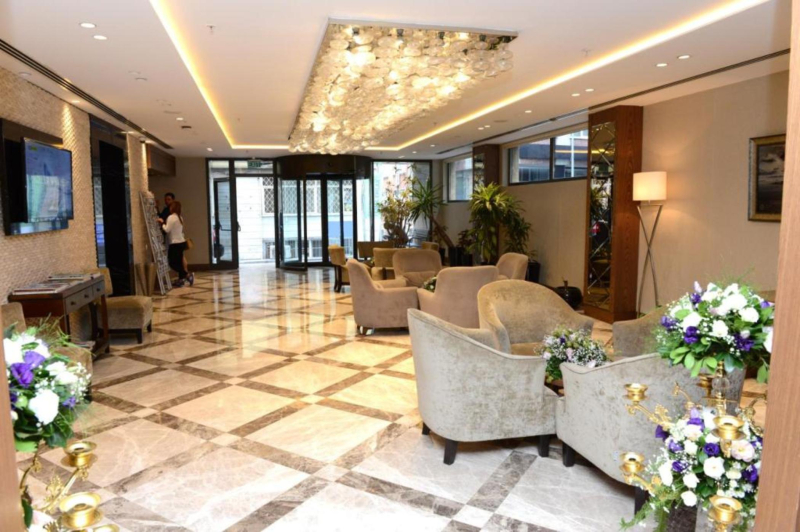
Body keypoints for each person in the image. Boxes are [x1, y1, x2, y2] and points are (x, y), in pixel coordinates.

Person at [159, 201, 194, 287]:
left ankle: (187, 275)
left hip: (175, 243)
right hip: (181, 242)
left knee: (172, 263)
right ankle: (181, 280)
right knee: (179, 262)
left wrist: (162, 223)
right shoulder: (180, 217)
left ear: (172, 208)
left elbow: (167, 230)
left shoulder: (171, 217)